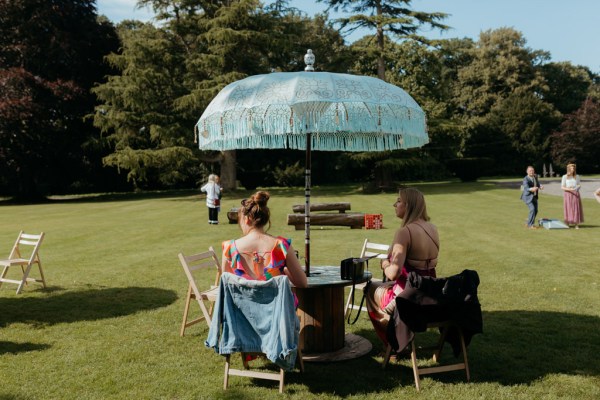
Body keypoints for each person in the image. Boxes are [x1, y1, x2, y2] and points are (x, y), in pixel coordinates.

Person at [365, 188, 440, 344]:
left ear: (408, 205)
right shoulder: (433, 229)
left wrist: (384, 264)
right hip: (430, 294)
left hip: (407, 298)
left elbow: (394, 273)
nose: (395, 204)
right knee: (380, 286)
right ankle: (397, 338)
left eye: (398, 201)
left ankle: (392, 342)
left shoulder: (405, 232)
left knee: (370, 288)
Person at [221, 191, 307, 288]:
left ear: (247, 219)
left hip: (241, 303)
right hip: (277, 303)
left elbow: (226, 286)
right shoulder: (282, 246)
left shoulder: (229, 248)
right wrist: (286, 271)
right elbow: (302, 283)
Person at [561, 163, 584, 229]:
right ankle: (568, 223)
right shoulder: (564, 176)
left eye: (573, 168)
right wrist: (570, 189)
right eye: (571, 168)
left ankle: (576, 224)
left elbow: (579, 185)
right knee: (568, 208)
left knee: (576, 208)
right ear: (568, 169)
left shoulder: (577, 176)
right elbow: (562, 187)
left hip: (575, 193)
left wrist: (577, 187)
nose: (572, 169)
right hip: (568, 194)